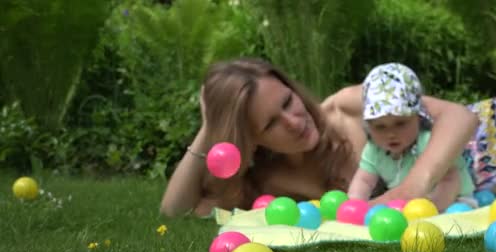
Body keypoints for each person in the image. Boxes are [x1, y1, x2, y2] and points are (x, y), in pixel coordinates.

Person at [160, 58, 478, 217]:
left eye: (287, 102)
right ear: (251, 140)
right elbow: (175, 211)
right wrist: (208, 128)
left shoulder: (347, 108)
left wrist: (411, 189)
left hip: (492, 136)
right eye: (271, 123)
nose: (294, 122)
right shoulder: (267, 181)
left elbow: (459, 116)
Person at [347, 63, 476, 211]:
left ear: (418, 117)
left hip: (455, 202)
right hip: (410, 207)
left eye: (400, 123)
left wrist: (434, 208)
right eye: (380, 127)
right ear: (369, 126)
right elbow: (363, 181)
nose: (391, 134)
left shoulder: (429, 141)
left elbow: (451, 179)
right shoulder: (374, 149)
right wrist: (355, 207)